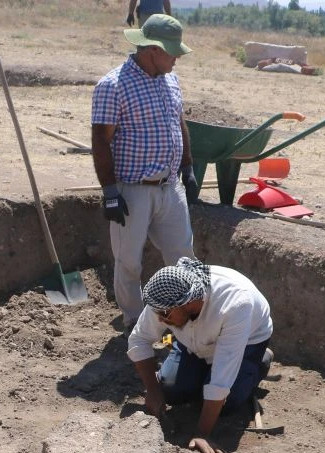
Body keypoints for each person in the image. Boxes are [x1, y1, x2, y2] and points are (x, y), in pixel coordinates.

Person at [91, 14, 200, 328]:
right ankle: (135, 323)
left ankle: (189, 318)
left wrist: (188, 166)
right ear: (152, 49)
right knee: (129, 263)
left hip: (170, 188)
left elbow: (179, 124)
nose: (177, 57)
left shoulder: (171, 80)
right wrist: (110, 192)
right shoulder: (113, 86)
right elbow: (101, 140)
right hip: (133, 190)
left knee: (183, 255)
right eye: (172, 51)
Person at [126, 258, 273, 453]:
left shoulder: (236, 304)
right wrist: (153, 390)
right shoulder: (166, 297)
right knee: (170, 389)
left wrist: (202, 434)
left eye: (165, 314)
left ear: (188, 303)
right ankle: (201, 374)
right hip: (196, 343)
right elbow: (139, 339)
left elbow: (221, 380)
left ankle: (259, 363)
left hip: (246, 342)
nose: (160, 319)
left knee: (228, 403)